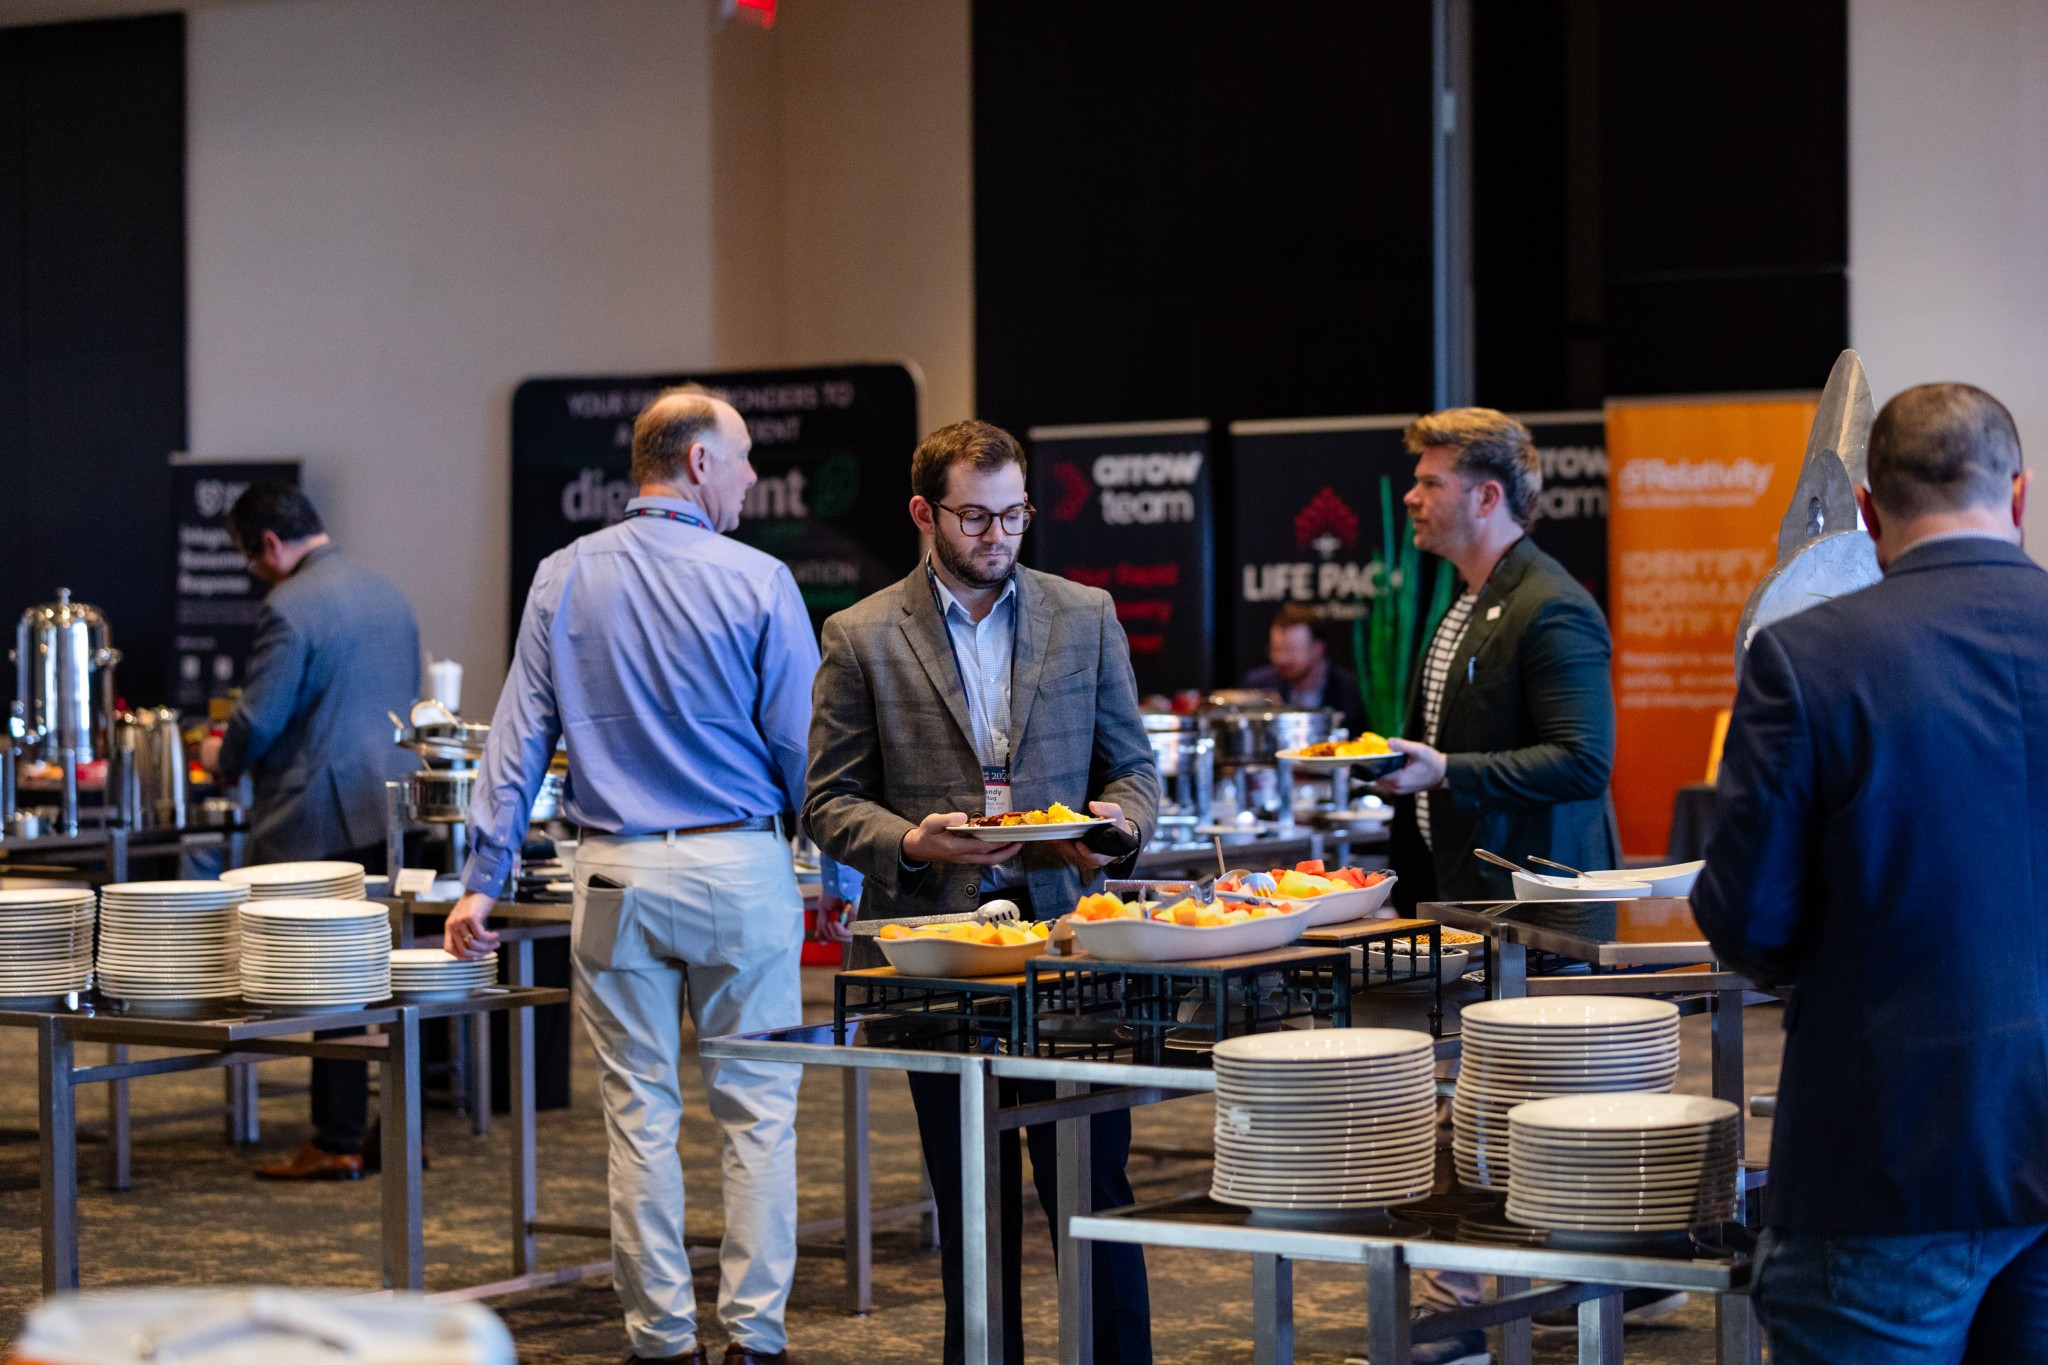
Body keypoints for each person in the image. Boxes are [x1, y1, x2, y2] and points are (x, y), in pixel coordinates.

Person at [443, 388, 817, 1365]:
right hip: (739, 865)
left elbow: (518, 738)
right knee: (758, 1113)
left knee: (637, 1114)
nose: (751, 478)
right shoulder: (760, 579)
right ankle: (755, 1341)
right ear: (698, 463)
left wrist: (482, 877)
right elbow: (802, 750)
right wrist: (845, 873)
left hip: (612, 874)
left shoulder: (561, 576)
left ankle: (661, 1344)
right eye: (742, 457)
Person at [1692, 383, 2048, 1364]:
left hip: (1887, 1158)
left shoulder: (1810, 656)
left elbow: (1747, 917)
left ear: (1864, 508)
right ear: (2018, 494)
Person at [805, 418, 1160, 1365]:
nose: (997, 535)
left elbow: (1134, 771)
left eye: (1013, 514)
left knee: (1095, 1192)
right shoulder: (861, 633)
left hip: (1072, 946)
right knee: (974, 1199)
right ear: (924, 513)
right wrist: (910, 842)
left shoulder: (1085, 614)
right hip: (940, 953)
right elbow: (828, 801)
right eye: (974, 517)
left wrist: (1118, 828)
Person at [1363, 408, 1635, 1364]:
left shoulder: (1551, 604)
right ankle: (1500, 1299)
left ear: (1486, 495)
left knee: (1495, 1111)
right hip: (1476, 904)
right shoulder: (1468, 600)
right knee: (1490, 1110)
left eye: (1429, 481)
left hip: (1541, 915)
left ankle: (1461, 1315)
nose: (1412, 497)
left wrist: (1448, 771)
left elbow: (1584, 759)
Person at [200, 482, 420, 1182]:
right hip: (392, 808)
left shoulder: (289, 605)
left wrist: (220, 758)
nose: (255, 571)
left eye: (250, 558)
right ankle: (393, 1130)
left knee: (329, 982)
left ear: (269, 543)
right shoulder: (388, 591)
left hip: (317, 815)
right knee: (384, 975)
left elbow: (260, 718)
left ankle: (336, 1137)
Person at [1243, 601, 1369, 736]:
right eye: (1276, 650)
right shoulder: (1258, 685)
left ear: (1318, 648)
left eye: (1292, 650)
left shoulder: (1351, 691)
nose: (1282, 658)